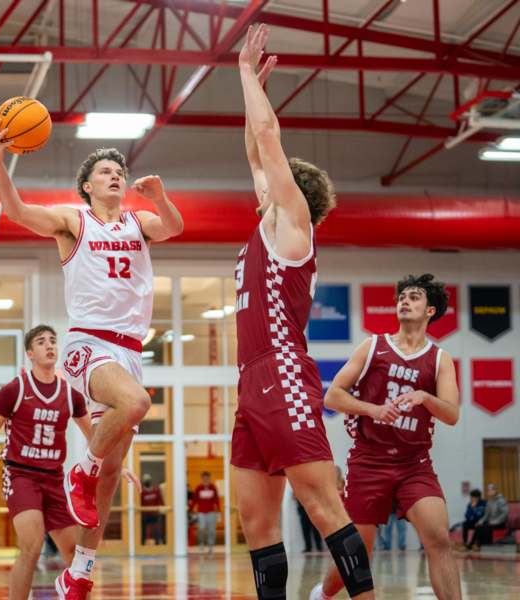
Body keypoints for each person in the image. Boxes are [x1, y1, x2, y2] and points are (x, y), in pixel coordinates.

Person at [0, 117, 183, 600]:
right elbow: (15, 210)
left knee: (111, 477)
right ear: (87, 186)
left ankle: (80, 573)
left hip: (131, 349)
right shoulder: (74, 221)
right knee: (136, 403)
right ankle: (81, 468)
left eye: (119, 169)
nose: (115, 175)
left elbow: (175, 227)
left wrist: (159, 196)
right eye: (105, 171)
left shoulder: (139, 223)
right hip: (89, 343)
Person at [233, 24, 375, 600]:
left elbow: (266, 141)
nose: (261, 180)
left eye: (273, 178)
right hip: (250, 378)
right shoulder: (267, 220)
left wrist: (245, 74)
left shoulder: (292, 225)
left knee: (322, 504)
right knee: (256, 521)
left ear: (294, 193)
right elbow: (255, 144)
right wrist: (257, 98)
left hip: (284, 370)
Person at [310, 274, 461, 600]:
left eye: (415, 297)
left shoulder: (439, 359)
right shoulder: (373, 346)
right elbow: (333, 396)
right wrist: (373, 410)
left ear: (430, 310)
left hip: (414, 463)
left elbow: (451, 414)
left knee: (438, 538)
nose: (405, 301)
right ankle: (322, 593)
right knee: (358, 548)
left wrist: (426, 397)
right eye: (402, 296)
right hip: (370, 460)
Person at [0, 326, 91, 600]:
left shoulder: (70, 394)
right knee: (31, 545)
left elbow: (95, 437)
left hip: (54, 478)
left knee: (75, 555)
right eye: (42, 342)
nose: (49, 345)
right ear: (31, 353)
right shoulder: (15, 390)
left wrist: (119, 466)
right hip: (21, 476)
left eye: (53, 341)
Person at [468, 483, 509, 550]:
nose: (488, 492)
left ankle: (486, 545)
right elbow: (486, 515)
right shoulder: (490, 501)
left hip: (500, 523)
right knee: (479, 526)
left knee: (486, 527)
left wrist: (495, 522)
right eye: (488, 490)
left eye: (490, 490)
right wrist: (480, 521)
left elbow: (504, 514)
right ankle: (474, 545)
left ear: (494, 491)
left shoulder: (501, 500)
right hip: (491, 522)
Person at [191, 472, 221, 554]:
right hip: (201, 512)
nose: (206, 479)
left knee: (211, 530)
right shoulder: (198, 488)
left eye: (207, 477)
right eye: (204, 478)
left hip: (211, 512)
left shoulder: (213, 487)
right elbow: (194, 500)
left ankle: (210, 546)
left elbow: (216, 500)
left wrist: (219, 510)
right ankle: (201, 544)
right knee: (201, 529)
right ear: (202, 478)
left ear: (209, 478)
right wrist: (191, 509)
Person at [140, 474, 165, 545]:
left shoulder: (156, 490)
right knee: (143, 532)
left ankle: (157, 544)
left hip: (155, 514)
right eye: (145, 481)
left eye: (148, 480)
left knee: (157, 531)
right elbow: (140, 503)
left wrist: (162, 509)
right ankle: (142, 545)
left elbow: (161, 501)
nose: (147, 482)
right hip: (145, 515)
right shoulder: (142, 492)